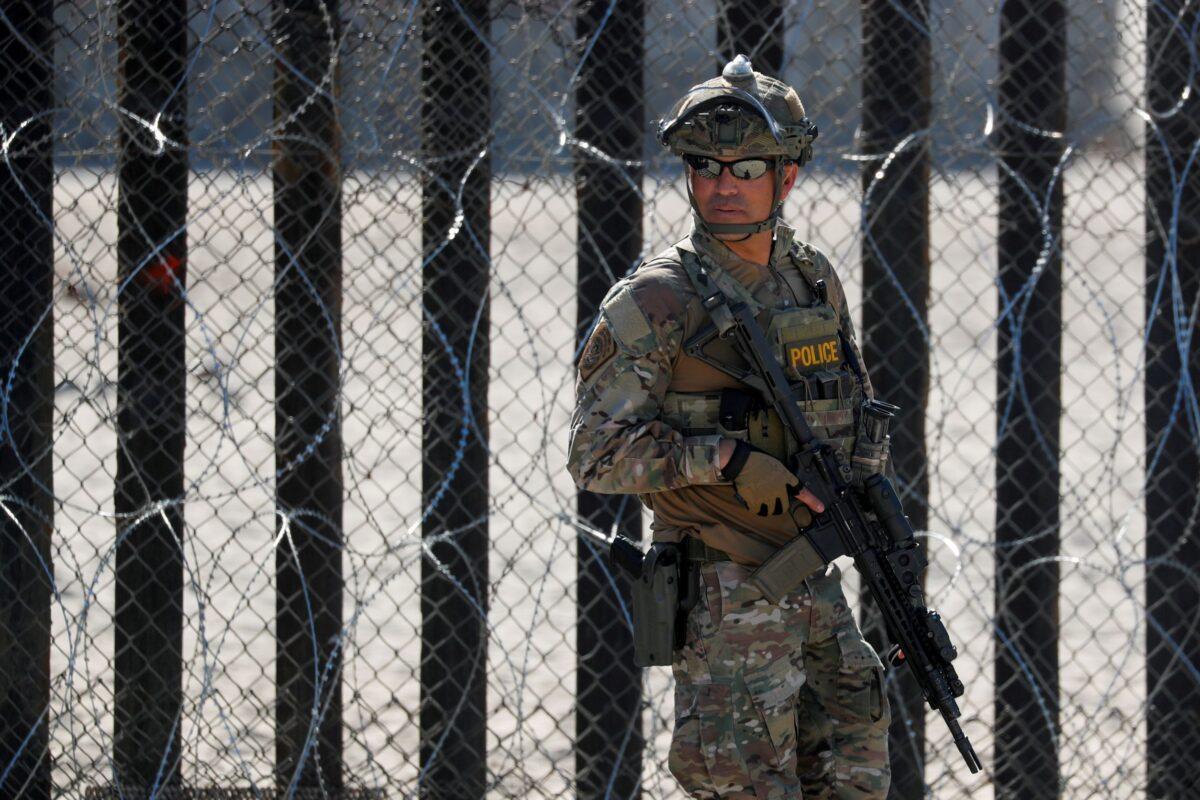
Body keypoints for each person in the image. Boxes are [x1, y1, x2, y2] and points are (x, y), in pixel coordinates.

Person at [567, 54, 891, 799]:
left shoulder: (810, 277)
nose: (723, 184)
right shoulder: (657, 299)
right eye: (707, 166)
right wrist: (729, 460)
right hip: (722, 586)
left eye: (747, 168)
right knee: (740, 780)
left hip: (813, 572)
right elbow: (594, 455)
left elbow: (854, 405)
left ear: (787, 177)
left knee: (857, 755)